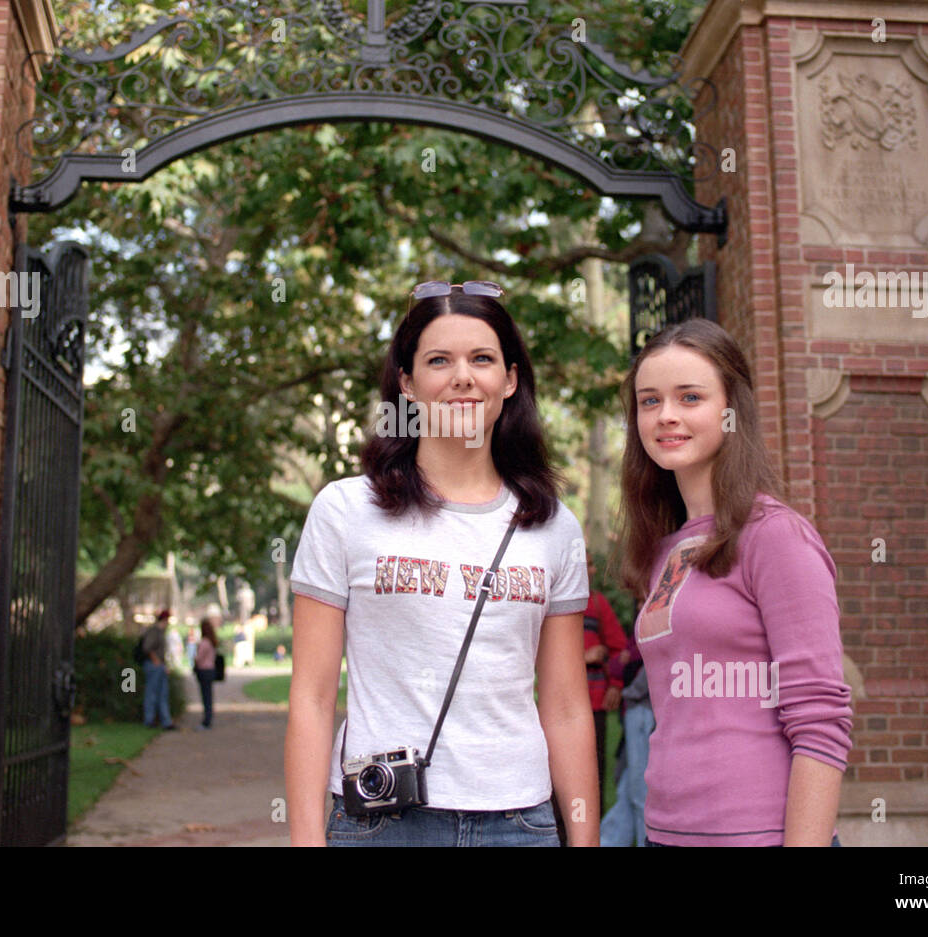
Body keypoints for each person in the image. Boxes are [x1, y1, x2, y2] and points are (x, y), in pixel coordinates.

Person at [284, 278, 596, 847]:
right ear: (407, 382)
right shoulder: (346, 510)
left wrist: (585, 838)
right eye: (438, 360)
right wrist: (306, 840)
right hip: (381, 822)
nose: (462, 377)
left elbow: (568, 706)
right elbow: (310, 695)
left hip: (519, 823)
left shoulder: (553, 526)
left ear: (509, 380)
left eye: (482, 358)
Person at [617, 317, 852, 846]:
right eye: (649, 401)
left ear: (730, 412)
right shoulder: (662, 546)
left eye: (690, 397)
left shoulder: (776, 536)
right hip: (666, 832)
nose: (666, 415)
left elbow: (821, 718)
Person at [582, 554, 628, 804]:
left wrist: (616, 686)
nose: (592, 570)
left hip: (595, 703)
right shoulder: (550, 601)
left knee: (594, 770)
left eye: (592, 565)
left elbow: (619, 648)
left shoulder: (598, 603)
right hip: (560, 702)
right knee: (556, 770)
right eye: (586, 564)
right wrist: (583, 657)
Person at [599, 638, 652, 847]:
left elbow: (650, 660)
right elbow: (615, 665)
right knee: (627, 789)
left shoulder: (661, 611)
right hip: (635, 710)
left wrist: (631, 692)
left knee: (641, 794)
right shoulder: (642, 618)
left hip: (645, 709)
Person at [141, 609, 177, 730]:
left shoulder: (161, 632)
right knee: (151, 693)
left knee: (163, 694)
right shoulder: (154, 631)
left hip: (160, 665)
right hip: (153, 665)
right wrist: (156, 660)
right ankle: (149, 719)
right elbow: (147, 647)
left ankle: (166, 721)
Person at [193, 617, 220, 729]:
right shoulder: (212, 642)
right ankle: (208, 718)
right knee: (208, 695)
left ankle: (206, 720)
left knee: (206, 696)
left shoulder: (204, 642)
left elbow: (199, 658)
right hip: (210, 670)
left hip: (204, 670)